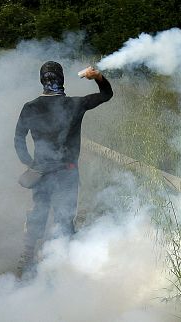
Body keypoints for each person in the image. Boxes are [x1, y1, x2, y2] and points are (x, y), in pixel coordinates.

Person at [14, 61, 113, 276]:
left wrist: (29, 162)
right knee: (65, 216)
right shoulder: (75, 104)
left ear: (42, 80)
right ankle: (64, 264)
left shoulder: (30, 107)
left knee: (39, 211)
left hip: (41, 172)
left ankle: (28, 257)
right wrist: (97, 77)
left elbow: (18, 137)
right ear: (62, 79)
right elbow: (106, 95)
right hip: (67, 171)